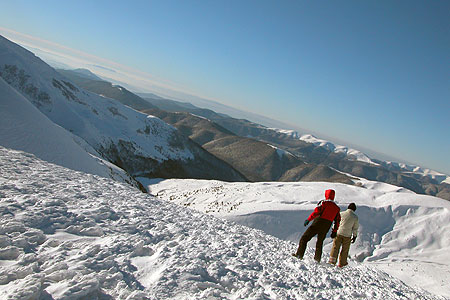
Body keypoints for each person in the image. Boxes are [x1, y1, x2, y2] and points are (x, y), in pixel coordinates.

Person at [292, 189, 341, 263]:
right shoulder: (337, 208)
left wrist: (308, 219)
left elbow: (316, 212)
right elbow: (337, 221)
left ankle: (299, 255)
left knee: (304, 238)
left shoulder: (323, 203)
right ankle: (317, 259)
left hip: (318, 223)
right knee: (320, 242)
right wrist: (334, 231)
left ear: (326, 195)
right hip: (326, 226)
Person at [328, 203, 359, 267]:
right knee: (345, 250)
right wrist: (354, 236)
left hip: (338, 233)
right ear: (354, 209)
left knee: (335, 247)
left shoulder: (341, 214)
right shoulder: (355, 217)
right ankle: (342, 263)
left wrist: (333, 230)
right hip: (347, 235)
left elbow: (336, 222)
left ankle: (332, 261)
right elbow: (355, 228)